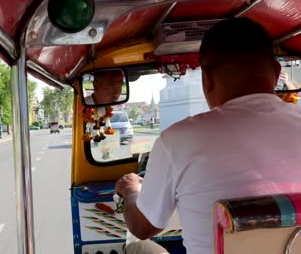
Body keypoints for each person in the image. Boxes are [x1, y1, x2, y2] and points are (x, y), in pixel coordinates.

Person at [115, 17, 301, 254]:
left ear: (207, 77)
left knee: (139, 247)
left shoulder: (176, 141)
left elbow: (143, 226)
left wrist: (131, 190)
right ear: (276, 73)